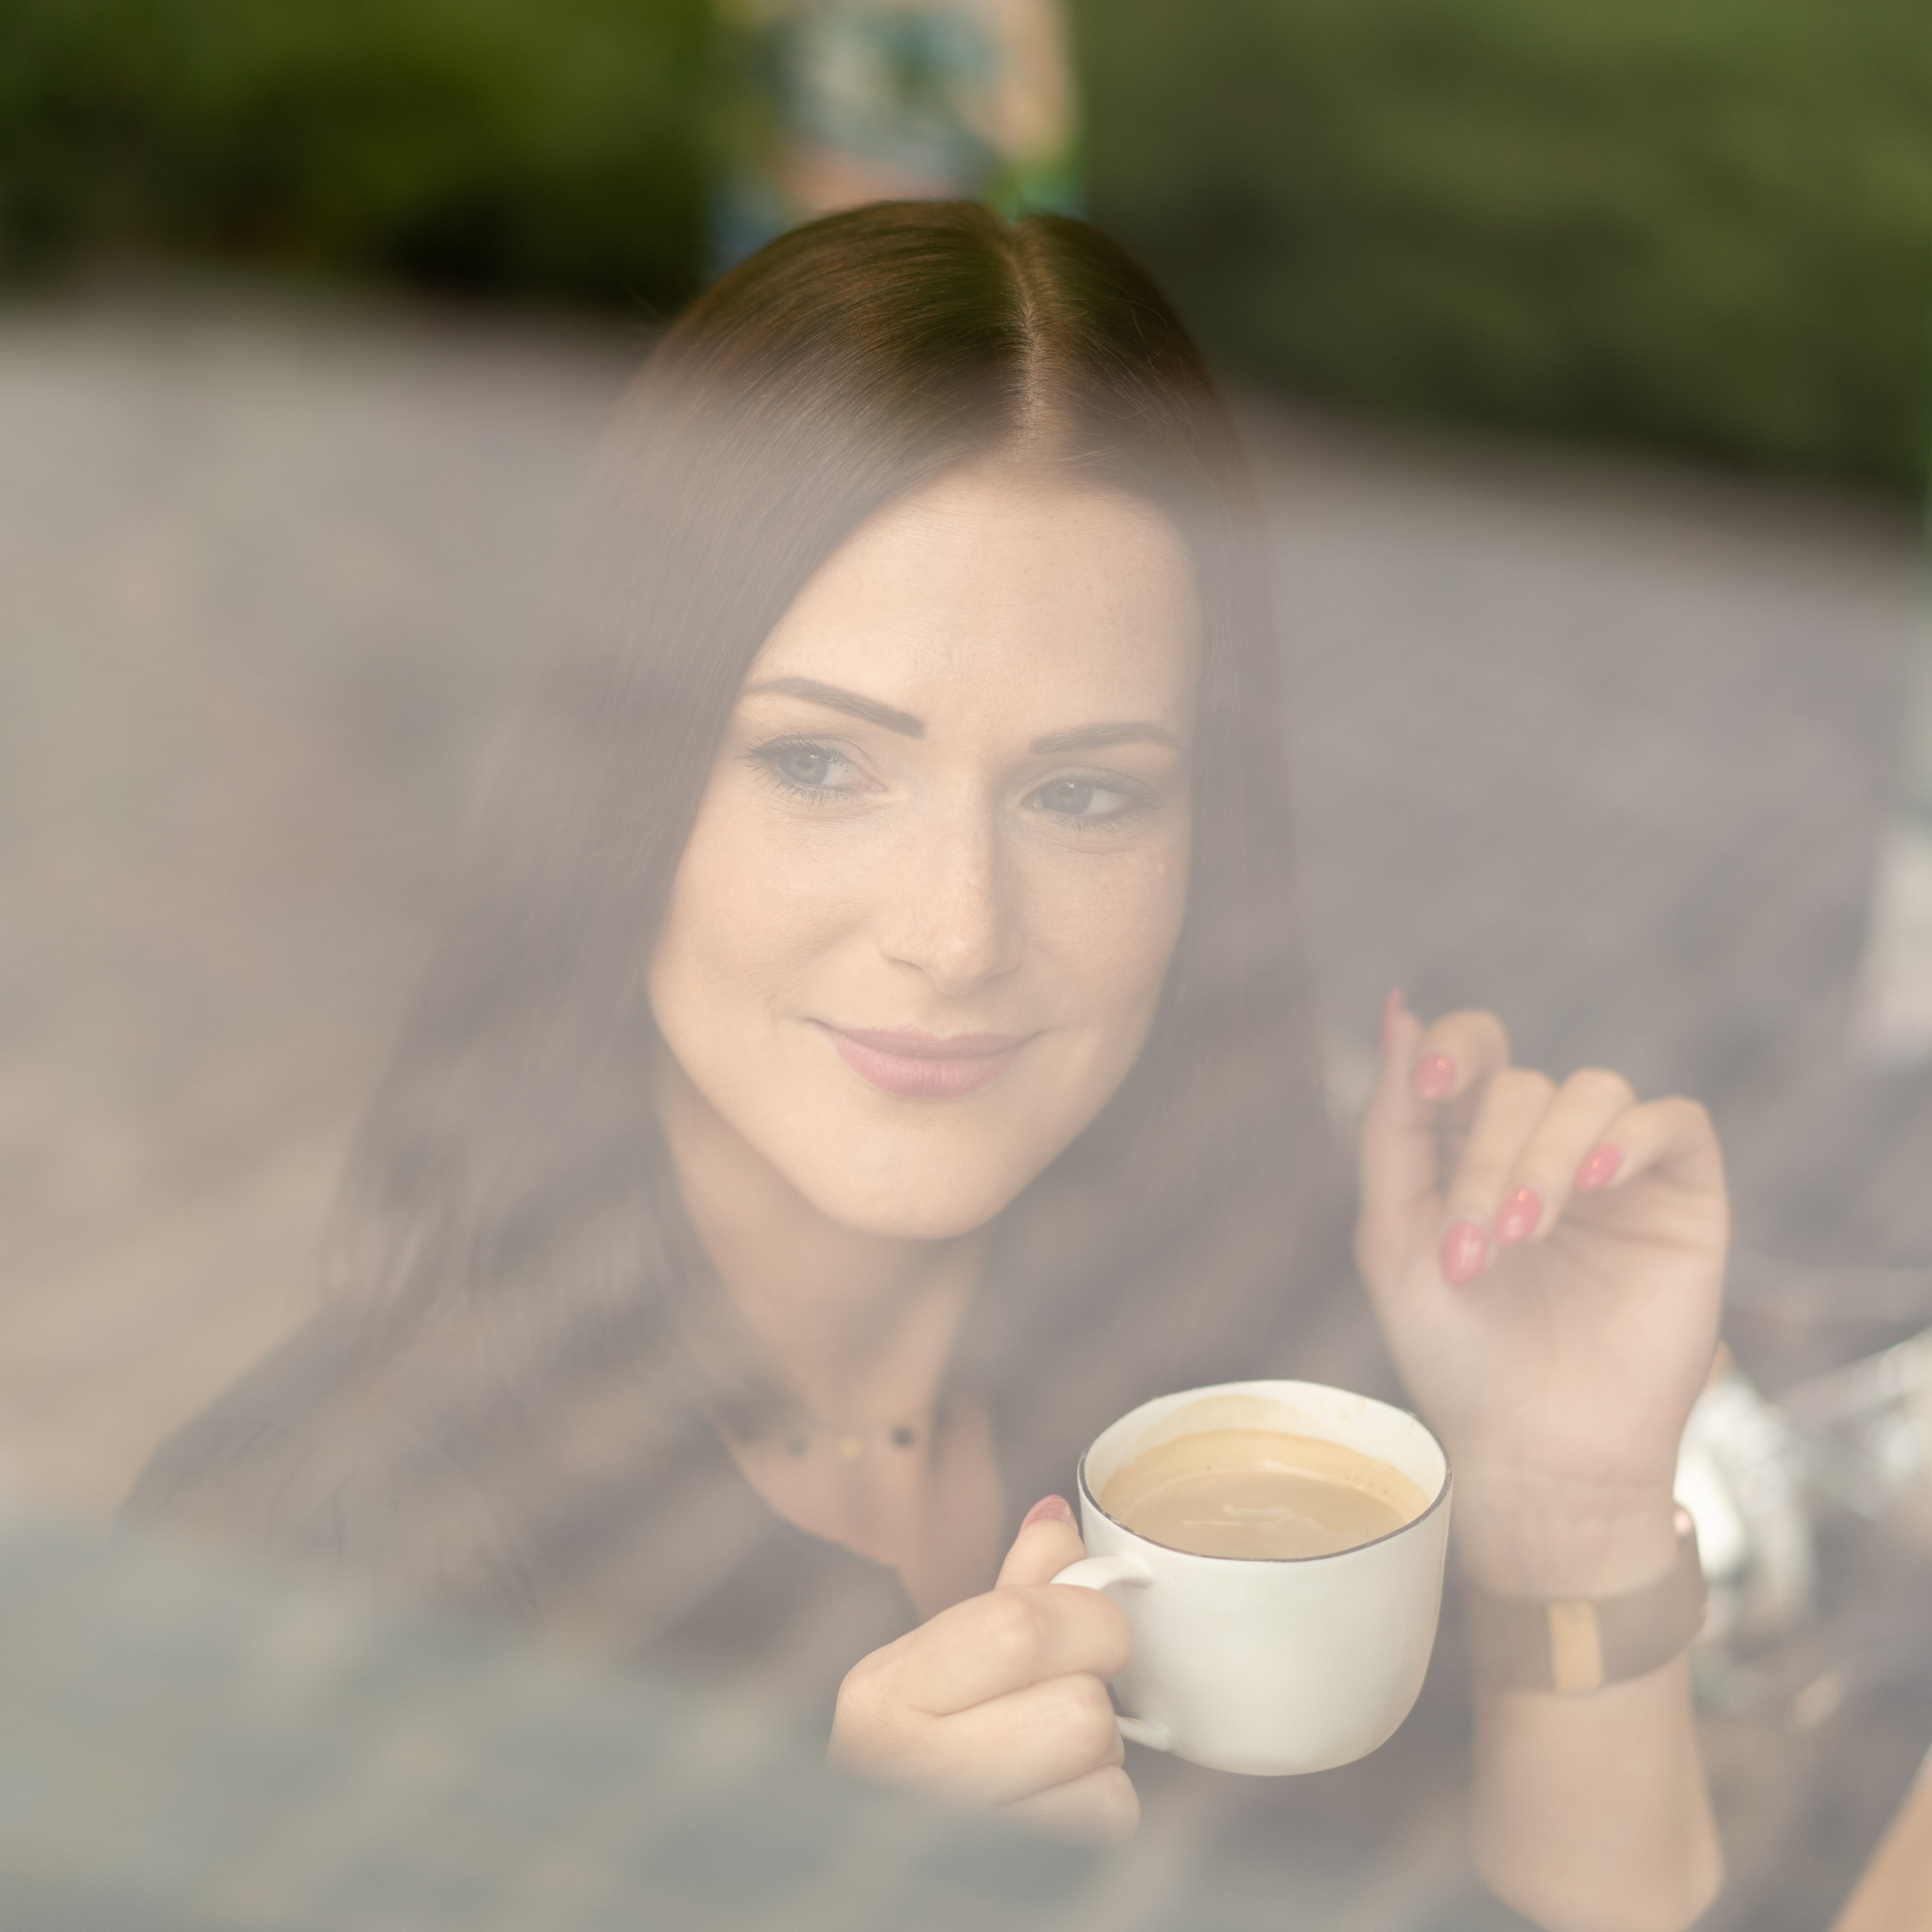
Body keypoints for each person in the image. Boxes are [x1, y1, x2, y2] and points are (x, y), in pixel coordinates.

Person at [127, 202, 1726, 1930]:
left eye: (1084, 792)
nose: (956, 931)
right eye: (819, 765)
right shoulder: (297, 1560)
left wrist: (1566, 1514)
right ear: (620, 791)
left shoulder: (1269, 1393)